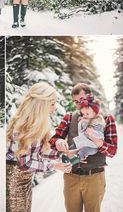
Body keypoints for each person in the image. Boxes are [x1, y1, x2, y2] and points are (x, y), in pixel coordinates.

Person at [49, 82, 118, 212]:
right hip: (71, 177)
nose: (78, 104)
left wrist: (97, 141)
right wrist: (58, 142)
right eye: (75, 101)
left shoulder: (106, 119)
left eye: (81, 100)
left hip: (94, 177)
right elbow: (52, 140)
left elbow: (112, 151)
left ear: (90, 97)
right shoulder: (69, 118)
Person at [6, 82, 72, 212]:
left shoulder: (36, 123)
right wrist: (53, 165)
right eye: (52, 104)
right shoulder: (25, 126)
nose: (54, 108)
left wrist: (62, 152)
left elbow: (39, 151)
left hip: (24, 180)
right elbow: (25, 163)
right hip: (14, 182)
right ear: (41, 104)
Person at [62, 93, 105, 165]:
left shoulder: (98, 122)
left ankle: (76, 158)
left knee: (84, 150)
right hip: (83, 141)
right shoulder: (86, 119)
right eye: (83, 114)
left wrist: (93, 133)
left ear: (95, 113)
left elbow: (100, 135)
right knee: (73, 146)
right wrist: (82, 122)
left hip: (92, 146)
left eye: (87, 114)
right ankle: (66, 157)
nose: (85, 116)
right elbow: (82, 131)